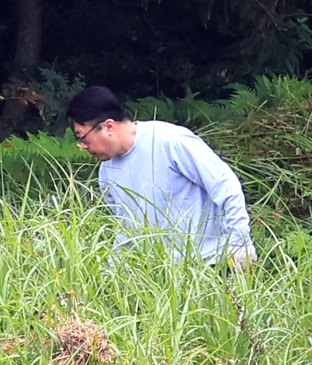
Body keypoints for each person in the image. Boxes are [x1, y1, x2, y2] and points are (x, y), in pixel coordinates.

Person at [65, 86, 257, 267]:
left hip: (210, 264)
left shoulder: (171, 141)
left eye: (82, 137)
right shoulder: (107, 171)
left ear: (108, 127)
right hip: (162, 278)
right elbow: (126, 229)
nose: (82, 146)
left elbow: (225, 184)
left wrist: (239, 241)